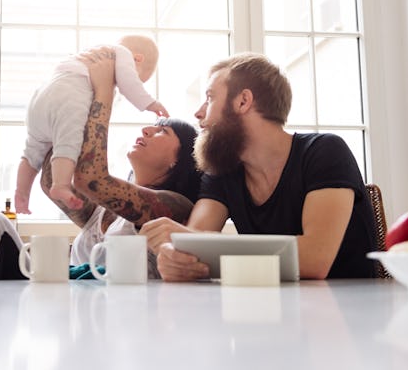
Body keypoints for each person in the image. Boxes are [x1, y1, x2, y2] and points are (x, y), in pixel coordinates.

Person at [0, 47, 201, 316]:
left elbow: (91, 179)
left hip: (116, 321)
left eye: (162, 131)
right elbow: (51, 184)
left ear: (178, 160)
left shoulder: (175, 207)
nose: (147, 128)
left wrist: (104, 91)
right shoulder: (103, 212)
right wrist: (68, 101)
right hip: (67, 308)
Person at [140, 52, 378, 280]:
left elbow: (314, 259)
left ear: (243, 101)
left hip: (350, 309)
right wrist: (175, 259)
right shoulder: (223, 171)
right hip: (270, 306)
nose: (199, 112)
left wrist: (197, 245)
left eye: (210, 97)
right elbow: (192, 244)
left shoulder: (325, 151)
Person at [15, 35, 169, 215]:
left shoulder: (91, 52)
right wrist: (150, 104)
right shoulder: (122, 54)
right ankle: (61, 184)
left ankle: (22, 192)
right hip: (67, 97)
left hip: (40, 99)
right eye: (140, 78)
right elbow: (130, 85)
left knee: (32, 151)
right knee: (69, 141)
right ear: (138, 59)